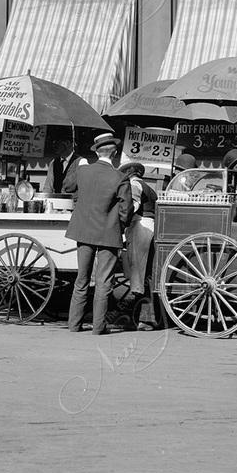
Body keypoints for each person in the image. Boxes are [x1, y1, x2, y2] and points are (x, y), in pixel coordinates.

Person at [65, 133, 133, 335]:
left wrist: (79, 167)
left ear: (97, 151)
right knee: (104, 283)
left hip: (83, 231)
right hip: (108, 234)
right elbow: (126, 209)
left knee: (81, 280)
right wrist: (120, 226)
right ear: (114, 153)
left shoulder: (83, 171)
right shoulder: (120, 177)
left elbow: (67, 186)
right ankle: (98, 327)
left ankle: (74, 325)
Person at [119, 161, 157, 303]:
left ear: (129, 172)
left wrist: (121, 220)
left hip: (140, 225)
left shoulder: (134, 184)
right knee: (143, 268)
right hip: (149, 226)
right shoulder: (148, 186)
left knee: (137, 267)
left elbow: (133, 205)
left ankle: (138, 298)